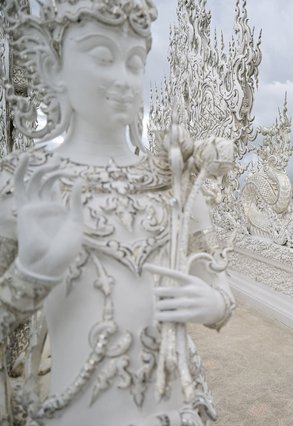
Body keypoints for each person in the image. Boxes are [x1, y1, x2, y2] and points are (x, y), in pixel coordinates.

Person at [0, 1, 234, 425]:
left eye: (134, 63)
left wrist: (212, 304)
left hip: (178, 411)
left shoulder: (177, 178)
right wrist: (30, 279)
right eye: (103, 57)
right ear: (54, 67)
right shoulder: (25, 186)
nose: (123, 80)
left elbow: (220, 289)